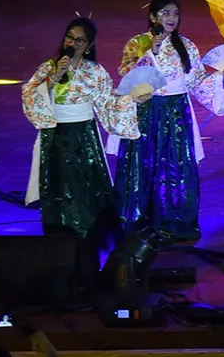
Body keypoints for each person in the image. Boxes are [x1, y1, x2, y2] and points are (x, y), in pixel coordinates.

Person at [113, 0, 224, 245]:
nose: (171, 18)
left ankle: (175, 223)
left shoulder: (186, 46)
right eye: (165, 13)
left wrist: (221, 78)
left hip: (177, 113)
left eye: (175, 13)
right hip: (147, 111)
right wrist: (151, 51)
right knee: (144, 165)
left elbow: (197, 81)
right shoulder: (137, 43)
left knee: (176, 167)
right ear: (152, 17)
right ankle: (140, 224)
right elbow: (126, 74)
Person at [21, 16, 141, 258]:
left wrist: (132, 100)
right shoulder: (48, 68)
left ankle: (88, 247)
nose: (73, 43)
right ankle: (59, 248)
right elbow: (30, 97)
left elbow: (108, 104)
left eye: (79, 40)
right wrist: (53, 78)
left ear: (88, 45)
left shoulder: (95, 72)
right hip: (55, 139)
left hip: (84, 138)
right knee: (58, 192)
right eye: (69, 37)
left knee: (86, 194)